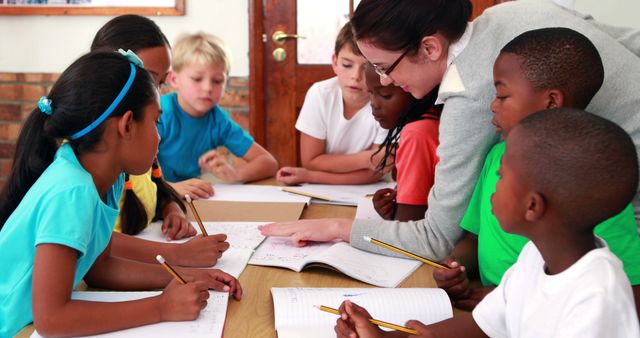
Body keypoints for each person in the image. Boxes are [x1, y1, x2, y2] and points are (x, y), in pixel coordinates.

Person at [260, 0, 640, 262]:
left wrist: (339, 228)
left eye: (384, 66)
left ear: (429, 48)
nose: (383, 79)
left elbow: (435, 239)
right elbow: (628, 40)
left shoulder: (471, 94)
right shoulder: (508, 13)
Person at [334, 109, 640, 338]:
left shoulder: (596, 297)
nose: (493, 185)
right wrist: (388, 336)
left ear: (533, 205)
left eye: (502, 176)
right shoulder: (535, 258)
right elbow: (482, 326)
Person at [0, 52, 241, 338]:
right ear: (127, 125)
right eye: (155, 121)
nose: (159, 136)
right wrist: (161, 307)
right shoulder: (72, 191)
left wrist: (184, 275)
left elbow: (100, 267)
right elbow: (52, 319)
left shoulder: (107, 177)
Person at [433, 27, 640, 315]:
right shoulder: (496, 157)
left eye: (502, 96)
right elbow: (473, 238)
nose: (492, 105)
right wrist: (456, 267)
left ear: (551, 102)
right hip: (485, 309)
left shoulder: (593, 179)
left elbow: (630, 293)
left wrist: (511, 306)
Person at [91, 15, 228, 268]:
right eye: (148, 77)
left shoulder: (138, 130)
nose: (155, 90)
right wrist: (178, 255)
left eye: (161, 81)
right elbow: (92, 243)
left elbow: (153, 187)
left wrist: (170, 209)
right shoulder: (90, 149)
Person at [158, 32, 278, 192]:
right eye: (197, 78)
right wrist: (170, 189)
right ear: (174, 80)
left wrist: (235, 174)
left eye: (217, 81)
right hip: (152, 197)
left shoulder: (217, 120)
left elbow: (269, 163)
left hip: (189, 197)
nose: (207, 88)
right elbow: (134, 174)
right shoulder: (160, 113)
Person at [276, 22, 388, 185]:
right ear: (334, 62)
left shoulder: (387, 103)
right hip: (322, 187)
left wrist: (311, 175)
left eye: (366, 68)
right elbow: (311, 161)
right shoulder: (320, 94)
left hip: (371, 189)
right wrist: (367, 159)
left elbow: (376, 172)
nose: (356, 76)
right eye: (347, 65)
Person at [365, 65, 441, 221]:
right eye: (371, 93)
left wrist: (396, 217)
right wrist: (394, 208)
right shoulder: (433, 119)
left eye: (385, 95)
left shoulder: (417, 133)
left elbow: (408, 224)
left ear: (414, 90)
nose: (374, 104)